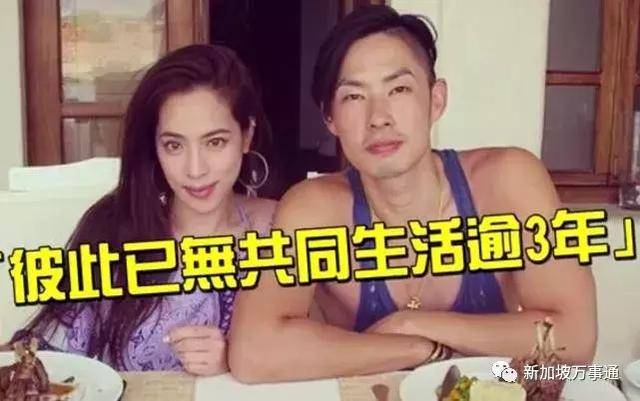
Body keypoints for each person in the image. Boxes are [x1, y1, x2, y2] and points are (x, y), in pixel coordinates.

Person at [228, 5, 597, 382]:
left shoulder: (507, 181)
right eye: (354, 97)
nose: (379, 117)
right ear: (330, 118)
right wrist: (418, 349)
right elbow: (253, 353)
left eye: (399, 89)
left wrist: (411, 323)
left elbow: (576, 340)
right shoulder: (315, 209)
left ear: (436, 100)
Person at [8, 44, 276, 375]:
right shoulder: (114, 226)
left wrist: (236, 360)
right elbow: (38, 357)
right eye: (174, 145)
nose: (195, 169)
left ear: (247, 136)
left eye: (215, 142)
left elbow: (314, 356)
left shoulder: (278, 229)